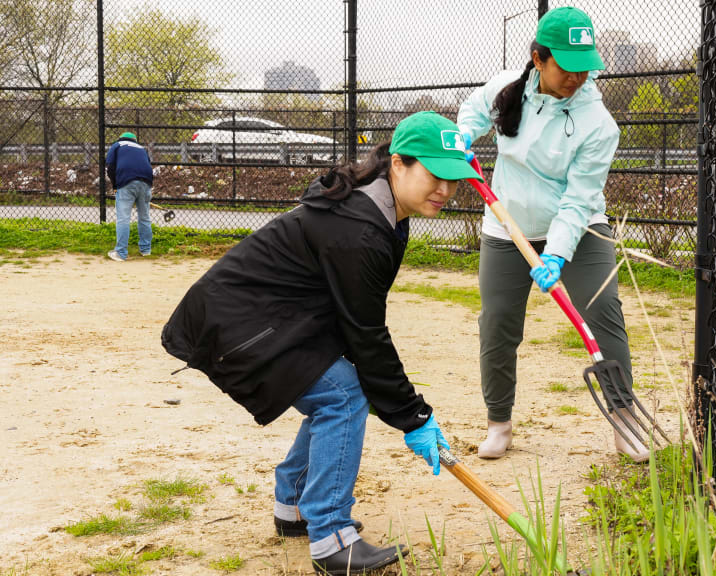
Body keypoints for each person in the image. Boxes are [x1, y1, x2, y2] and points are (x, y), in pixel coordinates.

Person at [161, 112, 483, 575]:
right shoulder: (361, 227)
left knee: (343, 387)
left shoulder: (384, 212)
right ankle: (332, 538)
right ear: (399, 164)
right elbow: (367, 333)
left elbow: (357, 326)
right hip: (236, 323)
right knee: (343, 394)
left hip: (273, 318)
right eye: (436, 175)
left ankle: (293, 504)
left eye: (455, 180)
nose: (447, 191)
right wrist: (413, 415)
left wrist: (400, 406)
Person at [457, 6, 649, 463]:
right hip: (509, 226)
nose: (578, 77)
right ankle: (498, 423)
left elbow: (580, 199)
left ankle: (624, 419)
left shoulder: (598, 123)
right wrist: (463, 137)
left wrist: (558, 254)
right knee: (498, 322)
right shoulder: (508, 87)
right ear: (538, 58)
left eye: (586, 67)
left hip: (579, 228)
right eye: (568, 65)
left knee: (603, 309)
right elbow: (473, 109)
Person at [105, 132, 154, 261]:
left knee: (123, 218)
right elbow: (147, 165)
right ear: (135, 140)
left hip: (126, 182)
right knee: (144, 217)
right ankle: (146, 250)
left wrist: (115, 186)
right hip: (146, 182)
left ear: (120, 138)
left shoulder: (117, 145)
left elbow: (110, 167)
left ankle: (121, 253)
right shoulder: (142, 149)